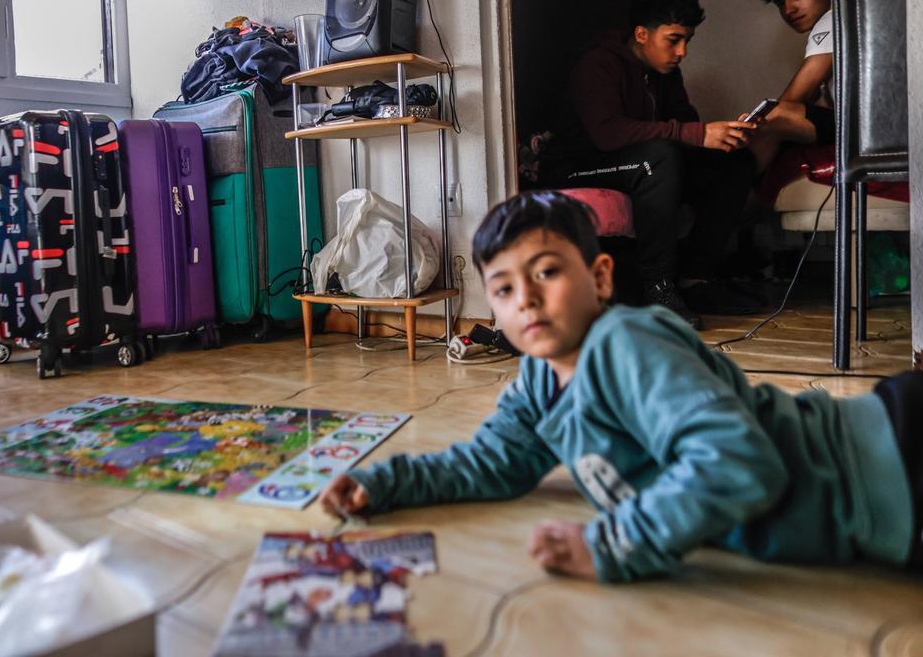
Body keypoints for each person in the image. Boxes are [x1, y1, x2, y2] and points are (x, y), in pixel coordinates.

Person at [320, 192, 921, 583]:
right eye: (502, 289)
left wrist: (611, 545)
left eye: (547, 273)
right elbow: (492, 464)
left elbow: (740, 463)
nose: (525, 299)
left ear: (600, 277)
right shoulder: (538, 380)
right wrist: (387, 483)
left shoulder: (625, 343)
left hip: (889, 462)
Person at [540, 0, 759, 330]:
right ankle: (658, 284)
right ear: (642, 34)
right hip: (578, 167)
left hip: (637, 163)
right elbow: (609, 133)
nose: (682, 51)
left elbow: (685, 126)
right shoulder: (597, 64)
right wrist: (696, 134)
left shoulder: (666, 74)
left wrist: (721, 137)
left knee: (733, 163)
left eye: (687, 40)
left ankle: (695, 279)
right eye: (674, 40)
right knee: (658, 157)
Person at [746, 0, 837, 174]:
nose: (789, 10)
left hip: (866, 129)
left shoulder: (832, 20)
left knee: (773, 117)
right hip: (866, 125)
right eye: (780, 3)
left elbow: (796, 97)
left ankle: (740, 202)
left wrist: (753, 125)